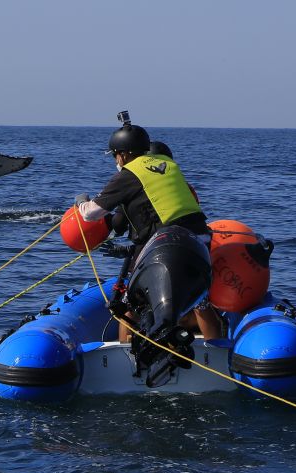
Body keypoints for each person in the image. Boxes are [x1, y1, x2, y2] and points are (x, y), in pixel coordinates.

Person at [74, 118, 221, 341]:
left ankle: (128, 356)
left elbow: (91, 213)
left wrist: (81, 202)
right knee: (201, 300)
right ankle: (217, 347)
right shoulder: (167, 165)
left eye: (115, 155)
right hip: (199, 240)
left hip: (166, 245)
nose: (116, 160)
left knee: (128, 304)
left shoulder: (129, 174)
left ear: (122, 154)